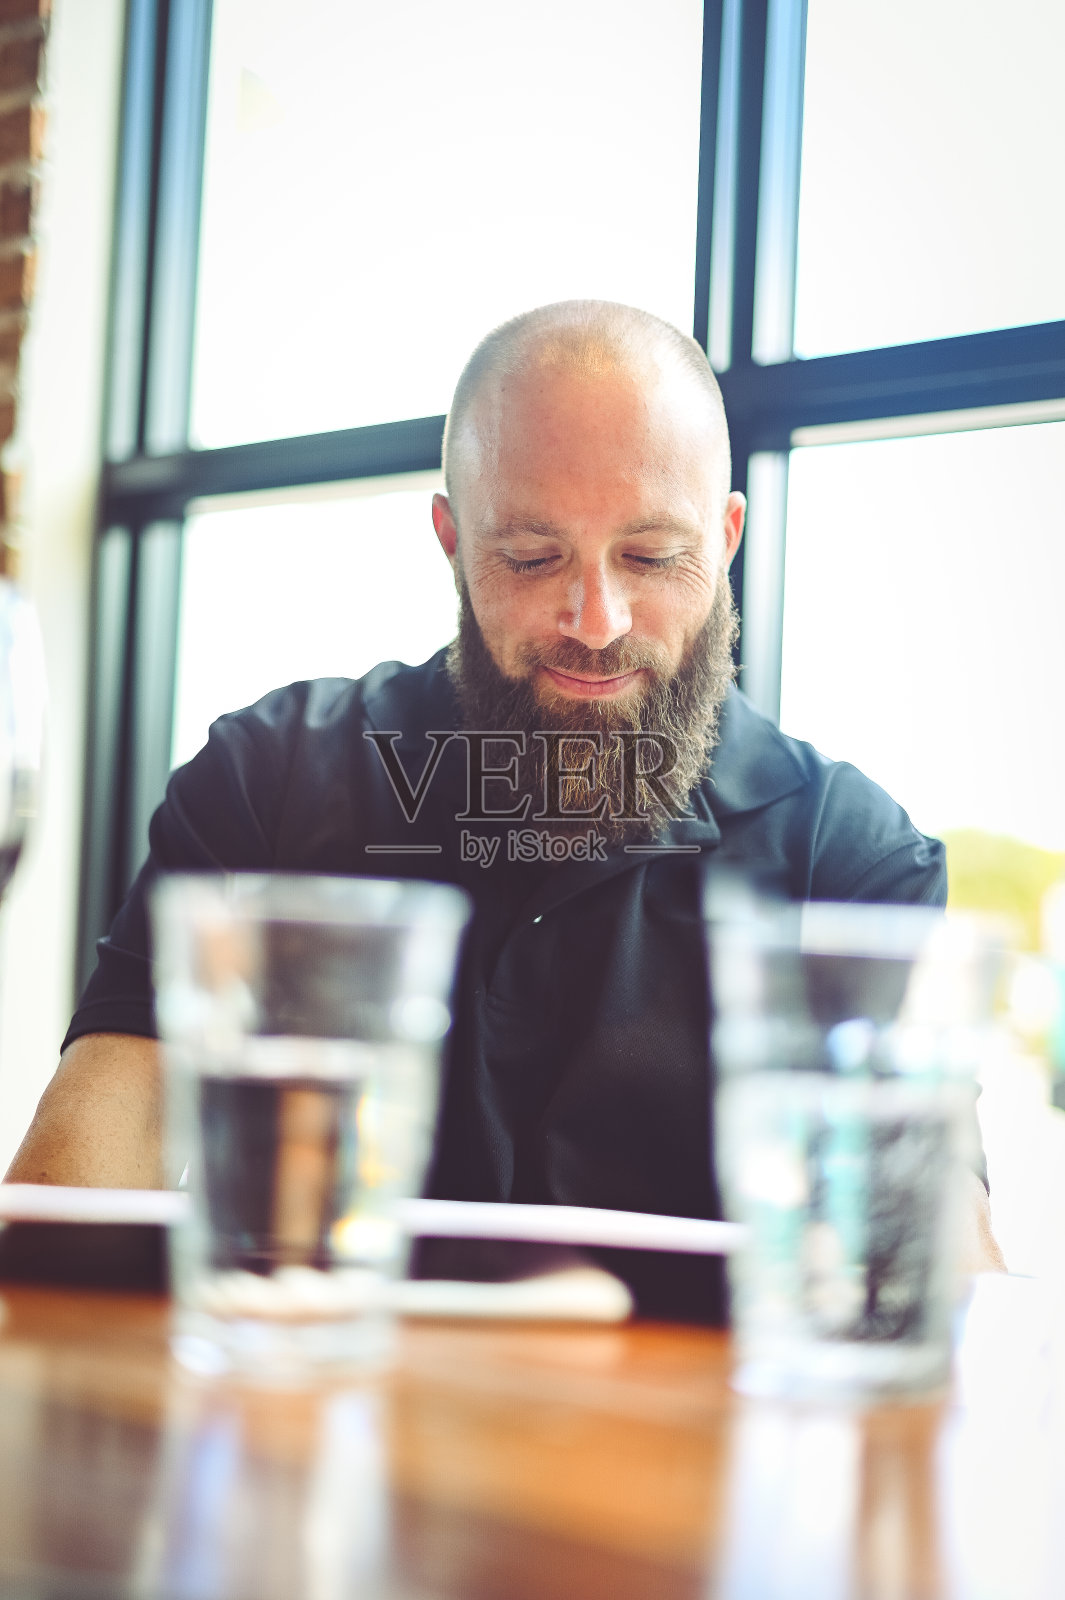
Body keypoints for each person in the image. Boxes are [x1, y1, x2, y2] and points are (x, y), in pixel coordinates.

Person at [7, 300, 1004, 1307]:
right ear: (451, 539)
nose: (598, 622)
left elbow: (941, 1274)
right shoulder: (266, 782)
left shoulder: (849, 856)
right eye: (532, 557)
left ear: (728, 536)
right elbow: (71, 1199)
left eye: (653, 556)